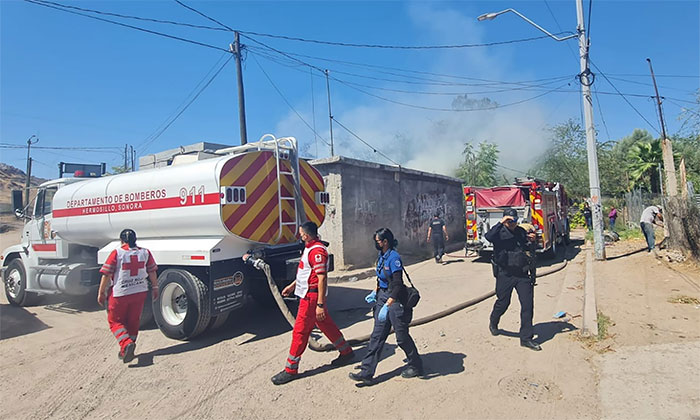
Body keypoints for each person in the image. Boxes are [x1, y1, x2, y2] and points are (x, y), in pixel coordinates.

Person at [270, 221, 355, 385]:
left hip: (311, 298)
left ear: (306, 235)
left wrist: (320, 304)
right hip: (306, 295)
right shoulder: (309, 248)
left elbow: (322, 278)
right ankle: (346, 351)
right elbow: (304, 273)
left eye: (301, 234)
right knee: (325, 325)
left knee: (300, 332)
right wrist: (292, 286)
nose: (300, 236)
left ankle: (290, 369)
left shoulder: (317, 251)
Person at [349, 228, 423, 385]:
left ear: (385, 242)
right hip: (382, 296)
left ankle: (416, 365)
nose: (376, 244)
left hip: (395, 301)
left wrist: (388, 304)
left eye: (378, 241)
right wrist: (375, 293)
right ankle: (366, 372)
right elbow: (381, 278)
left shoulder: (394, 258)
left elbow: (397, 284)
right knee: (377, 336)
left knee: (402, 338)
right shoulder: (381, 255)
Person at [98, 229, 159, 363]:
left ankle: (126, 344)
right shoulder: (145, 252)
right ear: (135, 239)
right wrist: (155, 287)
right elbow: (152, 271)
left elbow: (107, 274)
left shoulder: (117, 253)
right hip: (140, 292)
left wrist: (101, 293)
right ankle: (127, 347)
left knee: (115, 321)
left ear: (121, 241)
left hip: (121, 294)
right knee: (133, 320)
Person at [486, 208, 541, 351]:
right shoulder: (498, 233)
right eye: (508, 221)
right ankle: (494, 320)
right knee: (503, 302)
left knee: (527, 305)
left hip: (522, 274)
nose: (511, 223)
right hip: (505, 274)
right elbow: (488, 237)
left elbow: (527, 246)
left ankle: (526, 338)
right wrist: (501, 223)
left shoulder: (520, 231)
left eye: (514, 221)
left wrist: (532, 240)